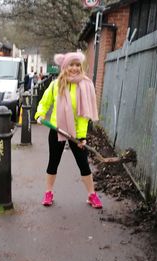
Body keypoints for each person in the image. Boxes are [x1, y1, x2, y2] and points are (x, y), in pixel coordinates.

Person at [34, 51, 102, 209]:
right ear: (65, 66)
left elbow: (83, 116)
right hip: (56, 128)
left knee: (83, 163)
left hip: (76, 133)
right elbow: (45, 102)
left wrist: (82, 137)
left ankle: (92, 195)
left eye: (78, 65)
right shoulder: (56, 85)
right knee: (53, 162)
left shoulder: (84, 86)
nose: (75, 68)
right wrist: (40, 114)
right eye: (71, 64)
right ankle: (48, 193)